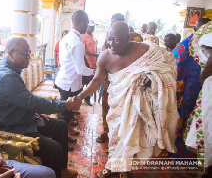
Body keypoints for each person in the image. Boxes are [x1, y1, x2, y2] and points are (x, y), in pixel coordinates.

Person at [76, 22, 179, 177]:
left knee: (131, 137)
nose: (111, 44)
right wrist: (79, 97)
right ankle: (115, 166)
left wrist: (153, 80)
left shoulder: (147, 50)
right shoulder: (105, 57)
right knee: (116, 136)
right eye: (109, 39)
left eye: (116, 40)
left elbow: (167, 69)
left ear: (128, 37)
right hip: (118, 105)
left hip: (138, 106)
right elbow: (96, 81)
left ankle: (121, 169)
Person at [0, 37, 80, 178]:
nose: (29, 56)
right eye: (25, 53)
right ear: (11, 53)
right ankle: (54, 175)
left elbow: (22, 100)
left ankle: (61, 171)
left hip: (20, 117)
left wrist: (34, 111)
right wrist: (66, 104)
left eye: (29, 52)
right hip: (10, 126)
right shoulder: (5, 77)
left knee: (60, 125)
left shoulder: (12, 70)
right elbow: (33, 101)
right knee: (54, 148)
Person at [170, 18, 211, 160]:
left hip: (204, 94)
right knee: (181, 124)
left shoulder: (207, 45)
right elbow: (172, 64)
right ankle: (179, 154)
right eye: (199, 28)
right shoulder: (184, 46)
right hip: (184, 93)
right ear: (195, 29)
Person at [54, 10, 94, 131]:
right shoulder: (77, 43)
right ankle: (62, 139)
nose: (87, 27)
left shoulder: (66, 38)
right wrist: (94, 71)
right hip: (70, 83)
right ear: (81, 23)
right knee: (64, 114)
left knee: (67, 111)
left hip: (63, 80)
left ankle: (66, 132)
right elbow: (81, 70)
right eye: (87, 23)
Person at [182, 20, 212, 172]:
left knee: (206, 129)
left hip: (208, 90)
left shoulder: (202, 35)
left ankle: (204, 170)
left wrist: (203, 80)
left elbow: (205, 73)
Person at [96, 13, 125, 143]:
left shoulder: (132, 41)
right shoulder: (110, 36)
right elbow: (105, 53)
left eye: (116, 23)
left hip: (125, 82)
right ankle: (107, 131)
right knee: (106, 105)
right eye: (111, 23)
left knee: (123, 110)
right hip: (109, 78)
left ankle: (121, 135)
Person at [82, 20, 98, 106]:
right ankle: (79, 99)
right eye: (91, 27)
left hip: (93, 63)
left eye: (94, 27)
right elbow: (84, 51)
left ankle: (87, 99)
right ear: (87, 27)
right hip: (85, 63)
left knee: (90, 83)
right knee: (82, 82)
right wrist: (95, 54)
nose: (92, 29)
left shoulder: (93, 36)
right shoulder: (83, 36)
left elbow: (94, 48)